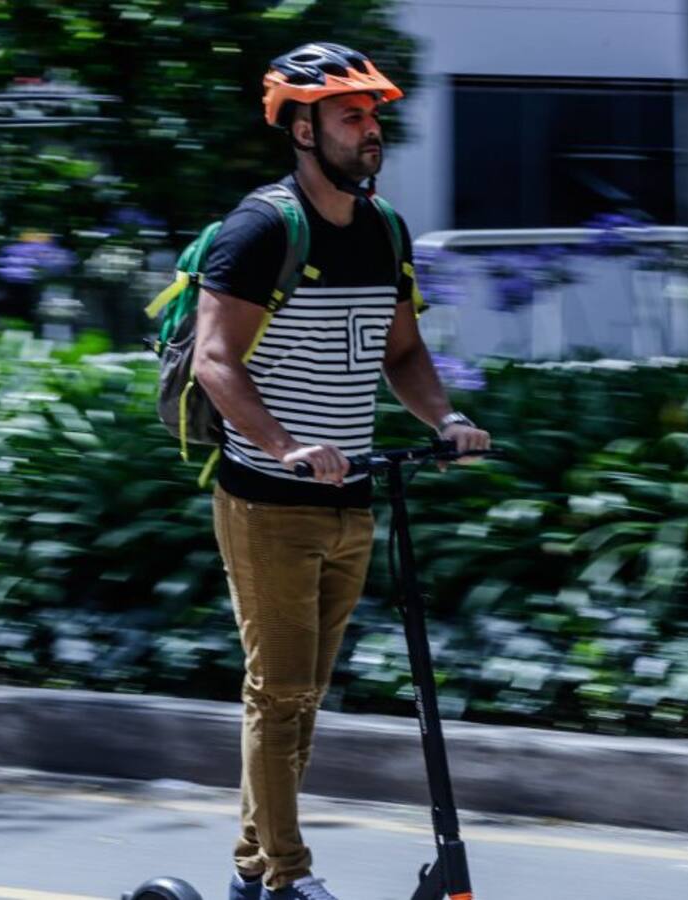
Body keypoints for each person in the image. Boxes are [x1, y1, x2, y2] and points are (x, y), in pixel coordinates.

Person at [193, 42, 491, 900]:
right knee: (278, 694)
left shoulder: (386, 230)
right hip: (267, 500)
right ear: (299, 126)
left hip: (352, 495)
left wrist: (448, 418)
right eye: (350, 116)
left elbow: (402, 350)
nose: (370, 131)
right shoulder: (263, 228)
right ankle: (286, 878)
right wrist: (285, 443)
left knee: (301, 700)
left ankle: (254, 872)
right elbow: (217, 361)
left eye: (373, 116)